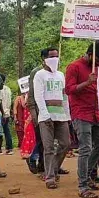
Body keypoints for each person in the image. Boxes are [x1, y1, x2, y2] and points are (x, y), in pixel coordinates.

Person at [65, 41, 99, 198]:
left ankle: (87, 174)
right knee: (85, 148)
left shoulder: (96, 68)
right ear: (90, 55)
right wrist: (87, 83)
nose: (98, 64)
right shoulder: (74, 67)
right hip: (80, 111)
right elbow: (69, 90)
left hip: (95, 111)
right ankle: (82, 185)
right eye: (97, 61)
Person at [33, 47, 71, 189]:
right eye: (51, 57)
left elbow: (65, 96)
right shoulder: (39, 75)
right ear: (44, 59)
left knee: (66, 143)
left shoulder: (61, 75)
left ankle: (53, 169)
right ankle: (50, 177)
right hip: (46, 116)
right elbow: (38, 96)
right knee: (48, 147)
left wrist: (67, 115)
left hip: (61, 114)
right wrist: (45, 114)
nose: (55, 59)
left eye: (57, 56)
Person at [0, 83, 13, 155]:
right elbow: (9, 101)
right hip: (7, 112)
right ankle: (9, 148)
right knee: (6, 130)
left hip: (0, 113)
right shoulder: (8, 89)